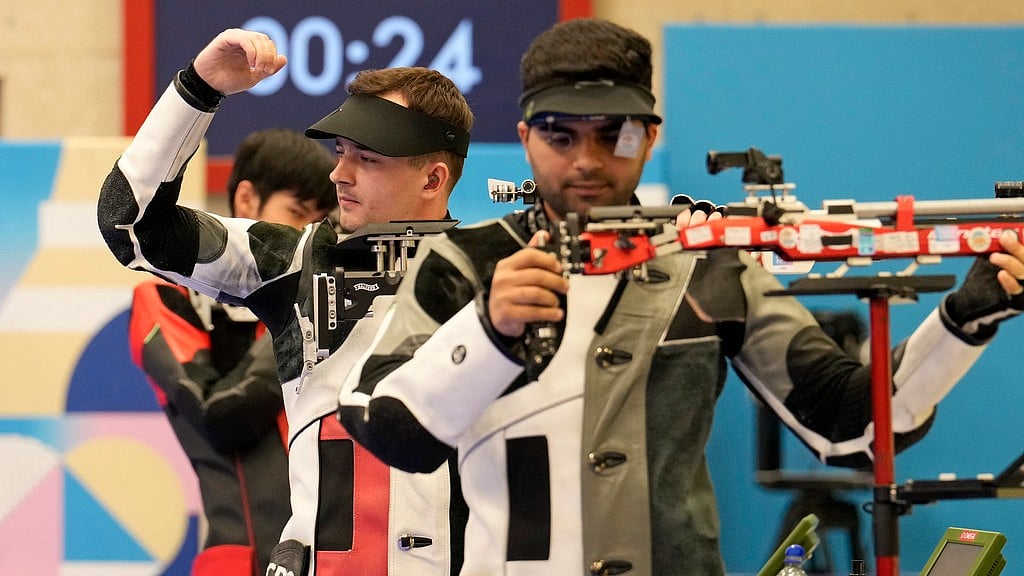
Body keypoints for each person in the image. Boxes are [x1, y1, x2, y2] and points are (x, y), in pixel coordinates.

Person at [337, 17, 1024, 576]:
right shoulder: (469, 258)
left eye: (616, 134)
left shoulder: (706, 263)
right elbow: (389, 430)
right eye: (560, 134)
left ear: (651, 136)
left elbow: (858, 431)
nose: (587, 158)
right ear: (524, 137)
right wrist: (487, 332)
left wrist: (963, 319)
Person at [98, 28, 474, 576]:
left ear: (434, 178)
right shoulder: (291, 260)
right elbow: (129, 225)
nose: (338, 173)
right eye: (341, 151)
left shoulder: (494, 270)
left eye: (366, 158)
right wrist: (198, 90)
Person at [127, 128, 336, 575]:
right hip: (239, 562)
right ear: (246, 200)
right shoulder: (167, 300)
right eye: (297, 214)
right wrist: (294, 316)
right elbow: (216, 416)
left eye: (320, 223)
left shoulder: (330, 302)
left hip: (333, 559)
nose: (307, 237)